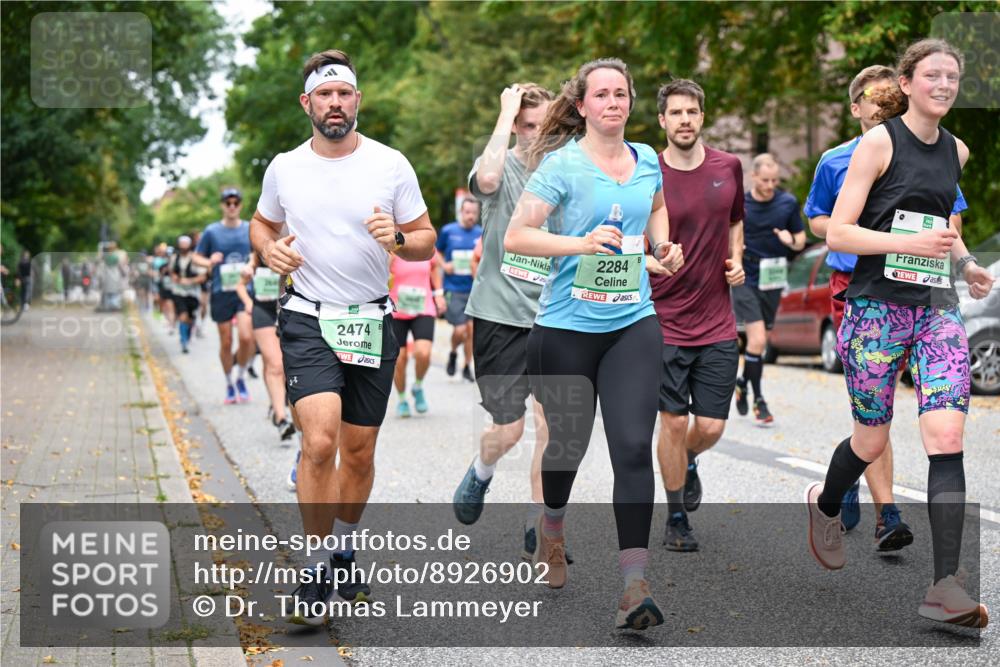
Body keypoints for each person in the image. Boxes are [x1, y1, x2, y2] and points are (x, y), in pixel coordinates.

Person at [805, 38, 992, 628]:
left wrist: (967, 264)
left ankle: (945, 586)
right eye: (932, 75)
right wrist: (904, 243)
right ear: (907, 83)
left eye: (952, 77)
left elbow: (945, 226)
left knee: (947, 435)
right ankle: (826, 505)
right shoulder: (878, 144)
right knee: (870, 441)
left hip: (935, 307)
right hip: (875, 310)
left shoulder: (956, 150)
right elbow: (838, 233)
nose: (944, 85)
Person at [249, 49, 436, 625]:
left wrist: (398, 239)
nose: (335, 103)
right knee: (320, 440)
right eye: (325, 94)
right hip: (307, 316)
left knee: (358, 452)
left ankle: (345, 549)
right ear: (306, 103)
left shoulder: (390, 164)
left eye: (344, 93)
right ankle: (313, 569)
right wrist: (269, 249)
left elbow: (425, 239)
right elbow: (263, 223)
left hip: (371, 320)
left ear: (358, 100)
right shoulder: (284, 167)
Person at [505, 58, 683, 631]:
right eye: (601, 94)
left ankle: (634, 585)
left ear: (631, 102)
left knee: (632, 447)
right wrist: (579, 244)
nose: (613, 102)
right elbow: (518, 236)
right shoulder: (561, 165)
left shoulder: (647, 159)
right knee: (567, 448)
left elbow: (657, 210)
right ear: (582, 105)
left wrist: (662, 248)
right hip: (565, 329)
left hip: (633, 322)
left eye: (621, 93)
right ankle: (552, 527)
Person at [453, 83, 557, 560]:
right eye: (529, 126)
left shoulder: (565, 172)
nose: (538, 136)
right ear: (516, 125)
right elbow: (489, 178)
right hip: (499, 315)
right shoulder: (500, 164)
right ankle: (482, 469)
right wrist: (505, 112)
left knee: (551, 424)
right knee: (510, 430)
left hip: (553, 315)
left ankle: (541, 522)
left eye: (545, 126)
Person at [649, 79, 745, 552]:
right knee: (671, 421)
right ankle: (676, 517)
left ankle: (686, 459)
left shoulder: (729, 166)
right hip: (663, 317)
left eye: (692, 112)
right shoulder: (647, 171)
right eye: (676, 112)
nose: (684, 120)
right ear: (662, 120)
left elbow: (735, 220)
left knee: (709, 427)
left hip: (716, 318)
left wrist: (737, 258)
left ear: (702, 117)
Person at [731, 153, 806, 424]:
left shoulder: (787, 203)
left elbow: (800, 239)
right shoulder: (740, 203)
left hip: (773, 276)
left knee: (760, 342)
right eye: (765, 180)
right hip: (745, 275)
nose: (770, 185)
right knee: (758, 340)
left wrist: (790, 240)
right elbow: (727, 232)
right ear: (753, 176)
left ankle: (742, 382)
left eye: (775, 180)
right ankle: (759, 400)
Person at [193, 188, 256, 405]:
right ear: (222, 205)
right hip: (221, 291)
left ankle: (241, 377)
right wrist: (209, 261)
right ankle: (229, 383)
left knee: (247, 338)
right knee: (226, 341)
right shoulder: (212, 231)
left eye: (235, 202)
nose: (232, 206)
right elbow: (196, 258)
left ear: (240, 205)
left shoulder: (249, 228)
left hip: (244, 290)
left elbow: (256, 254)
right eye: (228, 203)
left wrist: (251, 264)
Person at [234, 252, 298, 444]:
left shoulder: (298, 247)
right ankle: (281, 419)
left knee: (285, 365)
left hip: (291, 309)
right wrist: (248, 304)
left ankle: (277, 401)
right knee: (275, 364)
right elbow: (240, 285)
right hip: (264, 311)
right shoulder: (259, 254)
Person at [389, 252, 444, 417]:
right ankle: (402, 399)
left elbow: (434, 267)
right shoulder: (389, 247)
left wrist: (438, 294)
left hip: (423, 307)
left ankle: (418, 386)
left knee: (423, 353)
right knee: (399, 359)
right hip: (396, 310)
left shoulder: (423, 243)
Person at [436, 198, 482, 381]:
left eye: (474, 213)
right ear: (461, 212)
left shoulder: (481, 233)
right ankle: (454, 352)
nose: (471, 216)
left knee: (471, 330)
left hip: (473, 289)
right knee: (460, 329)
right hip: (453, 288)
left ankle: (466, 366)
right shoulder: (449, 231)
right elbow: (437, 252)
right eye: (467, 212)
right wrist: (444, 265)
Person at [169, 235, 207, 354]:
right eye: (182, 243)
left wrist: (190, 281)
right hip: (178, 291)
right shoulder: (174, 258)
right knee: (183, 316)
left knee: (190, 318)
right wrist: (176, 278)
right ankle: (183, 341)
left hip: (193, 292)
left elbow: (203, 276)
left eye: (186, 244)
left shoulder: (196, 258)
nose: (184, 246)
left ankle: (188, 335)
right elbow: (171, 272)